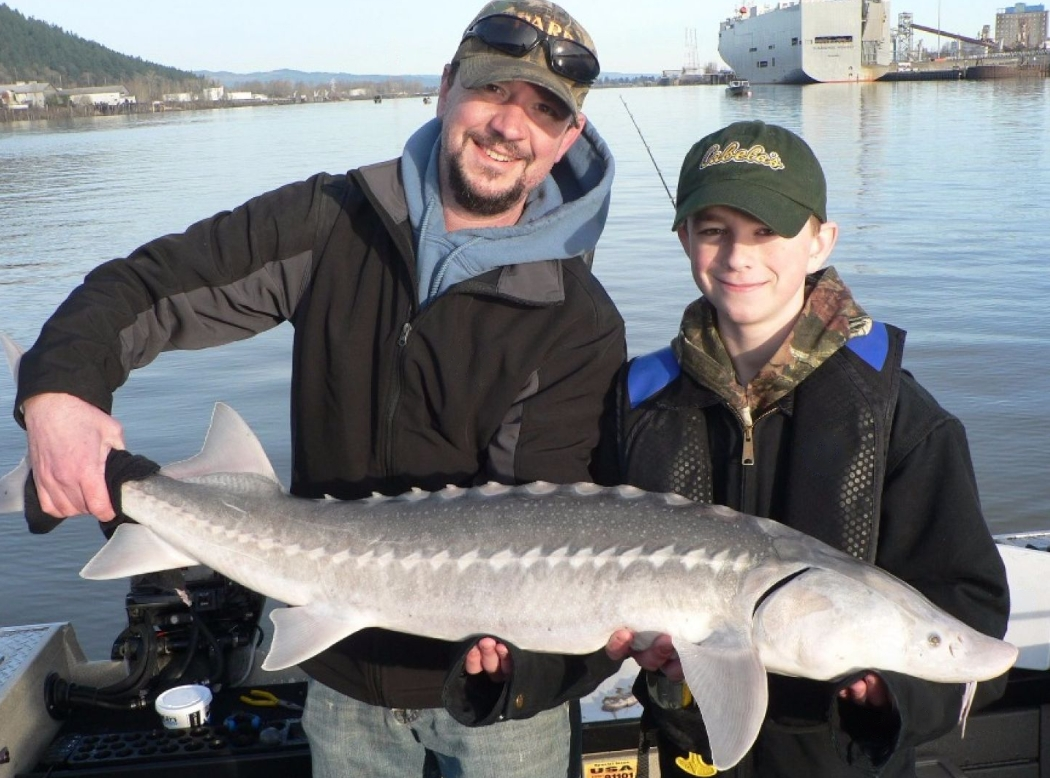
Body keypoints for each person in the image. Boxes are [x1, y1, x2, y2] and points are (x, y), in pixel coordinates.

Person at [13, 2, 627, 775]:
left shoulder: (577, 318)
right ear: (444, 90)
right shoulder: (335, 219)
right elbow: (149, 287)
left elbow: (551, 512)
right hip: (337, 669)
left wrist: (521, 672)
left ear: (567, 139)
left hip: (506, 711)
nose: (510, 125)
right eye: (493, 92)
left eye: (544, 111)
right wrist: (60, 391)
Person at [604, 120, 1011, 776]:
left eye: (767, 231)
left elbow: (974, 619)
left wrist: (888, 693)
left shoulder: (903, 419)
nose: (739, 257)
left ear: (821, 240)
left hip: (837, 758)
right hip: (695, 750)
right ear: (684, 239)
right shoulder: (639, 404)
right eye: (715, 230)